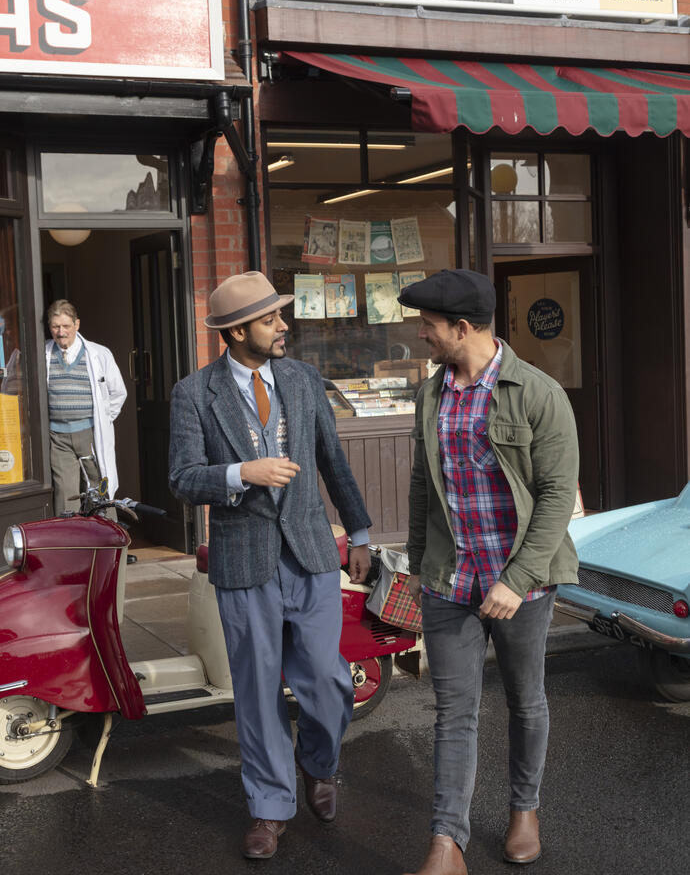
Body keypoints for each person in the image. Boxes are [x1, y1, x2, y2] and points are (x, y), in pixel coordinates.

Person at [168, 270, 371, 861]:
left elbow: (333, 459)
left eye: (280, 315)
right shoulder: (193, 393)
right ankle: (269, 807)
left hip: (310, 553)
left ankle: (319, 765)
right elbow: (183, 478)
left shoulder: (302, 380)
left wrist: (358, 532)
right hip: (243, 561)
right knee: (257, 692)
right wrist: (240, 474)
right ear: (236, 332)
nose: (284, 326)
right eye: (270, 319)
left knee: (329, 681)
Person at [398, 269, 579, 875]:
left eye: (428, 325)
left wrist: (516, 579)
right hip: (450, 581)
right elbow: (423, 486)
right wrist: (417, 565)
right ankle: (447, 842)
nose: (421, 335)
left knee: (526, 702)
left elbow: (556, 497)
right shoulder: (432, 394)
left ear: (462, 327)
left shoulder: (538, 393)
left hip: (521, 584)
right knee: (455, 712)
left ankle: (525, 810)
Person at [45, 299, 127, 514]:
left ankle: (108, 534)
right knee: (65, 495)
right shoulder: (43, 353)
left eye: (66, 326)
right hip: (58, 437)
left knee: (100, 489)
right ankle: (71, 536)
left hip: (89, 433)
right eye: (55, 326)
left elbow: (118, 393)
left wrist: (103, 420)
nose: (61, 332)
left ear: (77, 324)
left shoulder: (99, 353)